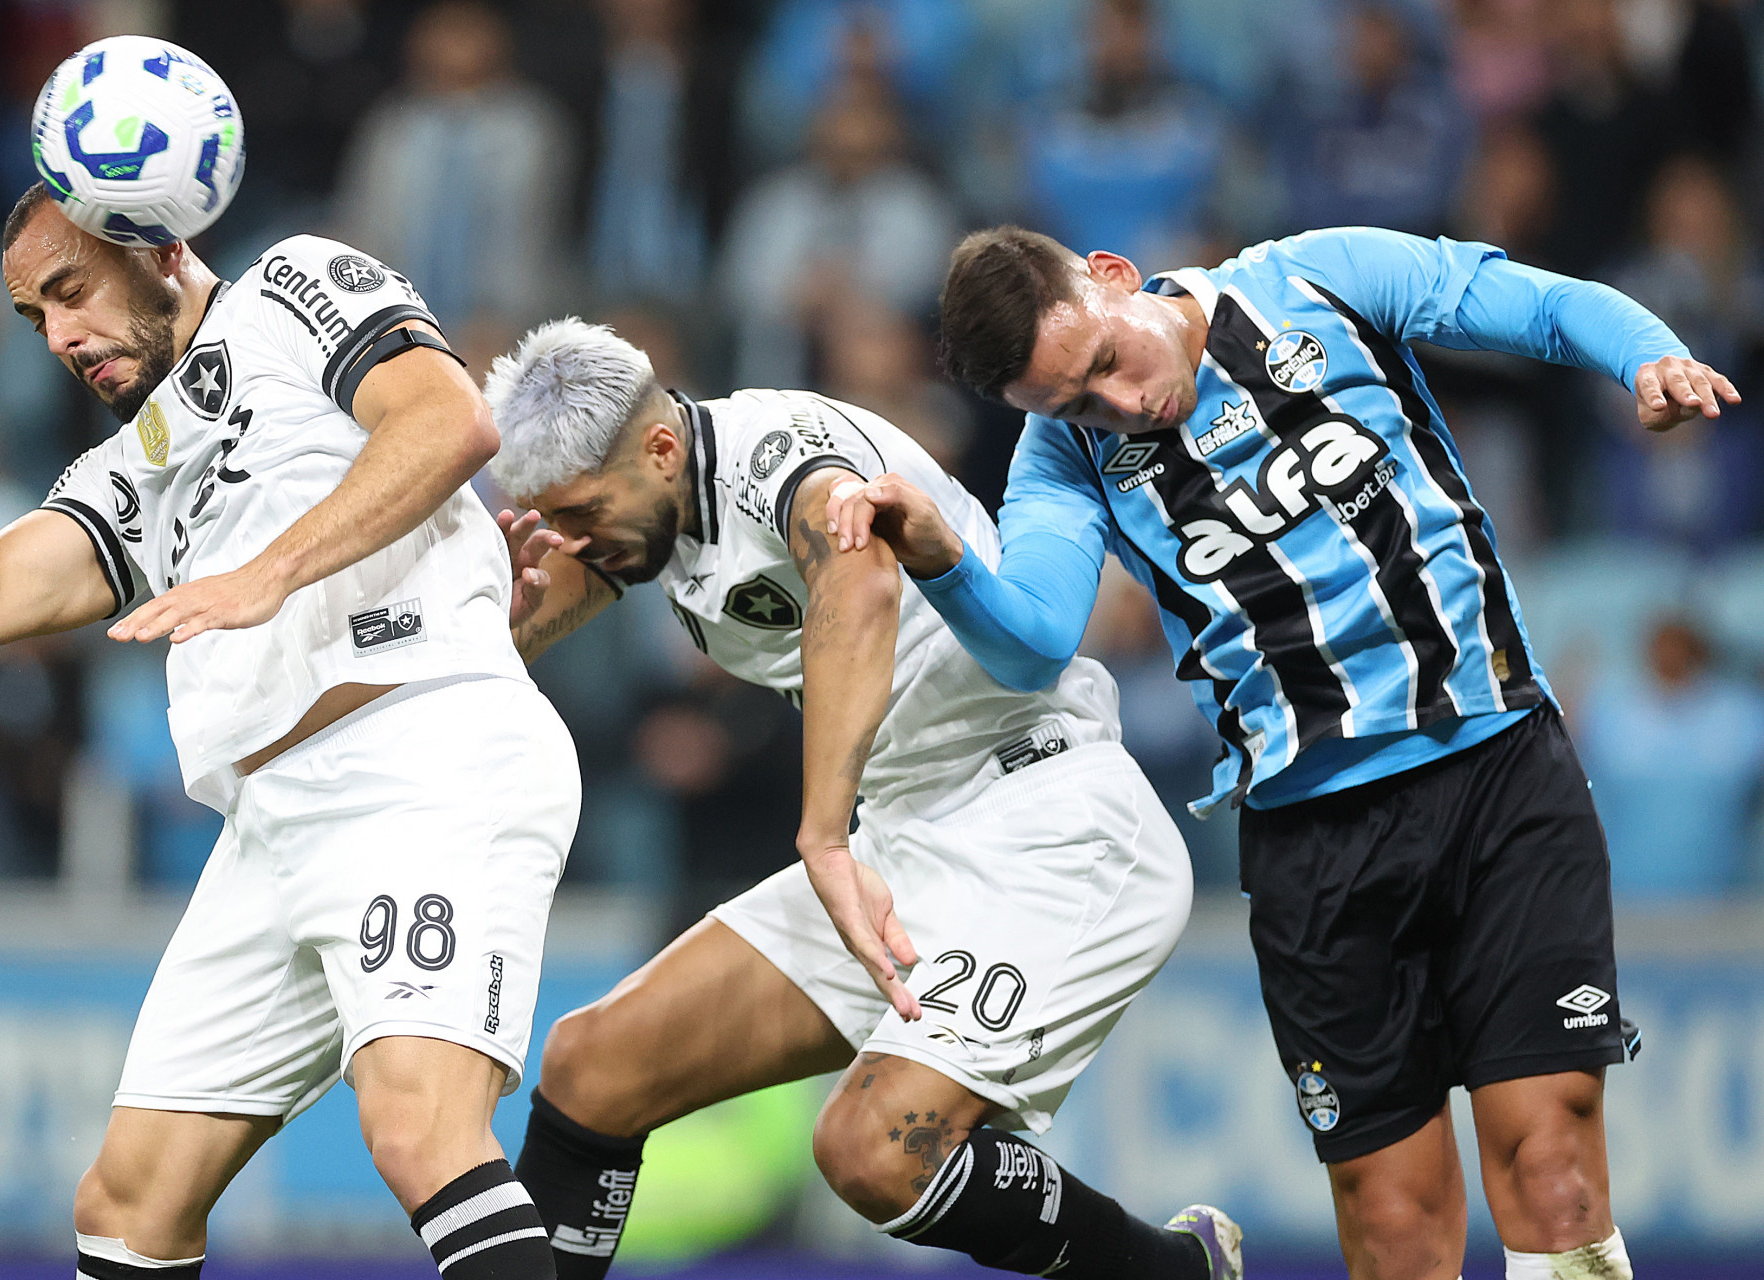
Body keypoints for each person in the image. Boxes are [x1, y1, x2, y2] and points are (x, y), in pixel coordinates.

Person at [823, 224, 1742, 1280]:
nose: (1119, 407)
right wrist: (941, 556)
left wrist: (1647, 356)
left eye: (1106, 368)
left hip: (1495, 774)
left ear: (1116, 279)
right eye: (1074, 403)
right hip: (1314, 841)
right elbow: (1034, 640)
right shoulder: (1064, 459)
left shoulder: (1312, 279)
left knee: (1554, 1164)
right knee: (1394, 1219)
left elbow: (1531, 300)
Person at [0, 187, 580, 1279]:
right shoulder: (132, 469)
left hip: (421, 758)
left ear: (158, 245)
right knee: (127, 1201)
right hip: (268, 828)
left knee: (418, 1130)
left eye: (70, 292)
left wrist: (267, 572)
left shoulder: (290, 290)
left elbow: (451, 420)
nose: (61, 336)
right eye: (34, 320)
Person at [482, 318, 1241, 1280]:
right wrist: (489, 628)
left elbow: (860, 580)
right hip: (908, 834)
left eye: (585, 511)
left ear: (661, 445)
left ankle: (1177, 1274)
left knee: (874, 1151)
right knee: (591, 1066)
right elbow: (573, 580)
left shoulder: (778, 453)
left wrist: (823, 835)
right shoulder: (657, 506)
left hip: (1049, 823)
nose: (575, 539)